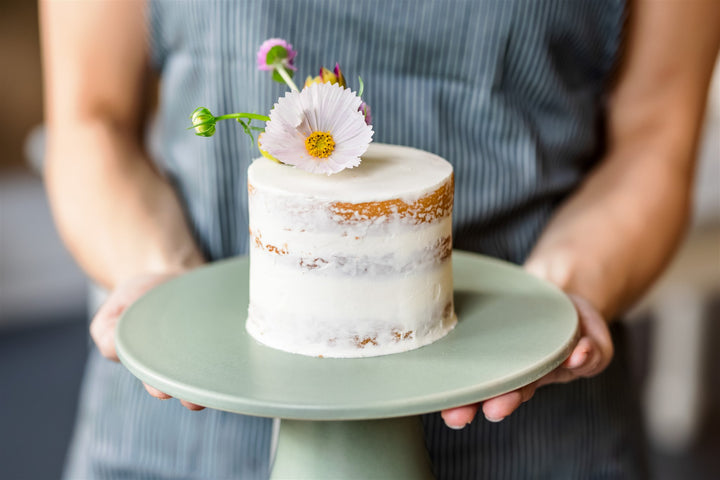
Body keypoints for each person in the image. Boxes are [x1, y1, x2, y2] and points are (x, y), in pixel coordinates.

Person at [41, 0, 720, 478]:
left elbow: (656, 136)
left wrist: (554, 301)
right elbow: (89, 118)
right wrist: (165, 281)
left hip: (530, 430)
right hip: (186, 441)